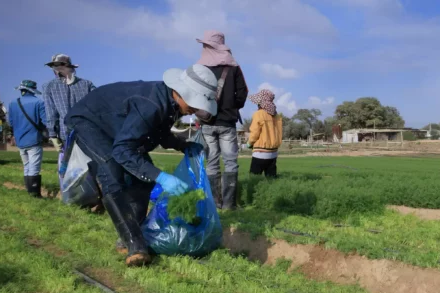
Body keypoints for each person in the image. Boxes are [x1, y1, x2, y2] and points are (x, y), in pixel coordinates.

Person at [65, 64, 217, 267]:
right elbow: (122, 151)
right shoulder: (151, 105)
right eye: (194, 104)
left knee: (143, 182)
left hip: (117, 129)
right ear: (180, 92)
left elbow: (159, 133)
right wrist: (161, 176)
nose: (193, 110)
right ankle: (134, 244)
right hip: (89, 121)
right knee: (111, 171)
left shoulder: (168, 103)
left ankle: (133, 233)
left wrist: (183, 145)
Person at [194, 30, 248, 210]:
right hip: (227, 122)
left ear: (207, 46)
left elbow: (193, 93)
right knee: (230, 161)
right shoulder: (233, 66)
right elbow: (243, 93)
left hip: (207, 122)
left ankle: (214, 203)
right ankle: (229, 204)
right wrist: (232, 106)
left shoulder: (199, 68)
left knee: (212, 162)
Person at [42, 54, 95, 181]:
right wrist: (53, 134)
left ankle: (82, 192)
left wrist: (52, 134)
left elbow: (51, 113)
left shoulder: (86, 84)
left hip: (75, 132)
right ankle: (87, 192)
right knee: (87, 164)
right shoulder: (87, 84)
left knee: (75, 165)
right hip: (80, 132)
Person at [6, 80, 47, 198]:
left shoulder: (13, 103)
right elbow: (45, 121)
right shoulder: (39, 102)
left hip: (20, 140)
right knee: (34, 167)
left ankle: (29, 192)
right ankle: (34, 194)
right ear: (33, 90)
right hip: (34, 139)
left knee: (27, 166)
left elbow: (12, 122)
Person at [247, 89, 282, 178]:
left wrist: (249, 143)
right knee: (271, 179)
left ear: (261, 103)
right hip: (273, 152)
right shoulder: (277, 116)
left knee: (254, 179)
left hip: (260, 152)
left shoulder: (258, 114)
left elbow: (255, 132)